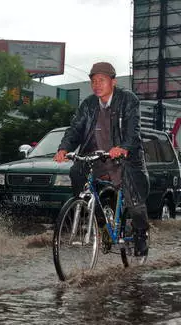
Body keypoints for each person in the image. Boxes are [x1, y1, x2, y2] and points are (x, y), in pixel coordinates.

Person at [53, 62, 150, 255]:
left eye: (102, 80)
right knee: (77, 174)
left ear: (113, 81)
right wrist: (64, 148)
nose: (97, 84)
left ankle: (141, 234)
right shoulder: (88, 104)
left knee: (134, 201)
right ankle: (100, 223)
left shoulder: (127, 100)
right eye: (94, 81)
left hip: (124, 159)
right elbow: (75, 129)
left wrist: (123, 147)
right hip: (96, 156)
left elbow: (134, 130)